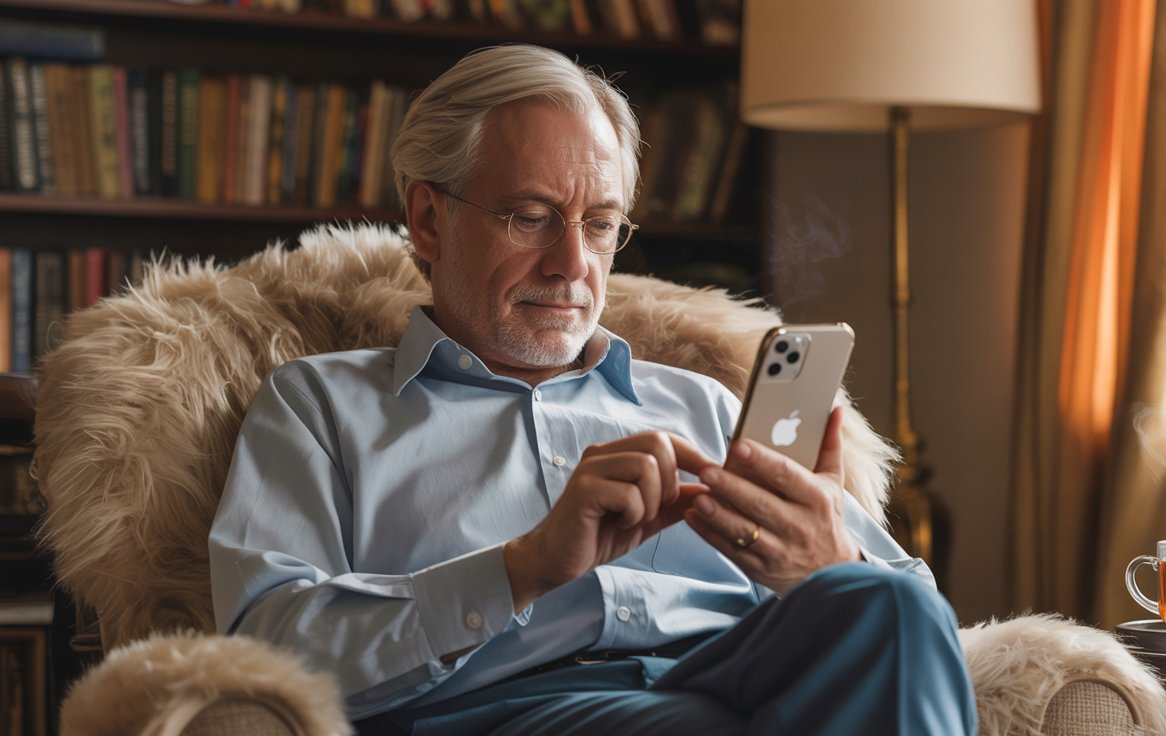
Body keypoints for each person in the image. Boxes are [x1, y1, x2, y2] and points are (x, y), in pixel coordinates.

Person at [209, 44, 976, 735]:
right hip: (513, 707)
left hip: (742, 676)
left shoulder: (701, 402)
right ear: (428, 220)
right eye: (532, 217)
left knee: (892, 605)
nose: (573, 263)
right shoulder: (317, 408)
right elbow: (269, 649)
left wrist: (827, 563)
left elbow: (924, 633)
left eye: (601, 224)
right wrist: (522, 568)